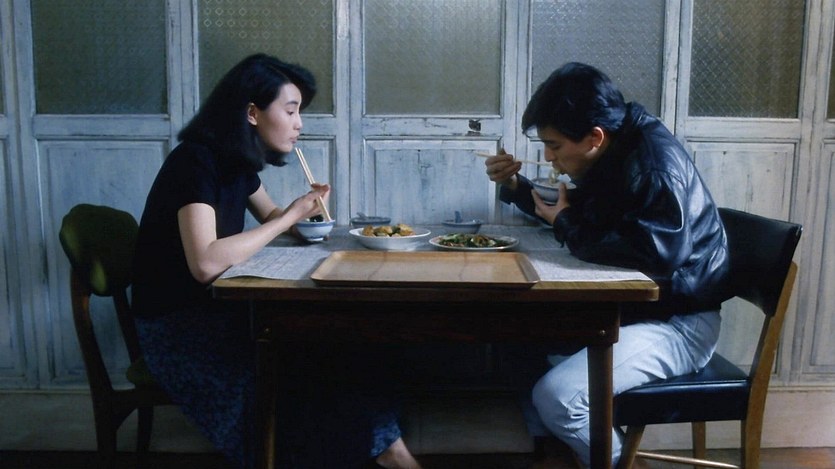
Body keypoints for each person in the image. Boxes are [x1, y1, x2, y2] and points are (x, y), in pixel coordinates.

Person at [131, 53, 421, 469]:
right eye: (291, 110)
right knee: (314, 366)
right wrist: (290, 217)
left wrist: (310, 215)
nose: (299, 123)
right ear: (252, 113)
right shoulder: (194, 161)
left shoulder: (235, 163)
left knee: (346, 350)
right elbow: (205, 263)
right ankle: (385, 453)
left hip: (222, 312)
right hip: (179, 327)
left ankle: (389, 450)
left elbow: (271, 218)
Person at [483, 62, 730, 467]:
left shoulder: (652, 166)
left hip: (679, 323)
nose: (548, 157)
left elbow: (655, 255)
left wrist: (565, 223)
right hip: (637, 311)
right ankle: (558, 456)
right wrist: (515, 187)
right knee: (517, 333)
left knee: (558, 398)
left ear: (594, 137)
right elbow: (580, 211)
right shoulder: (618, 144)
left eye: (555, 145)